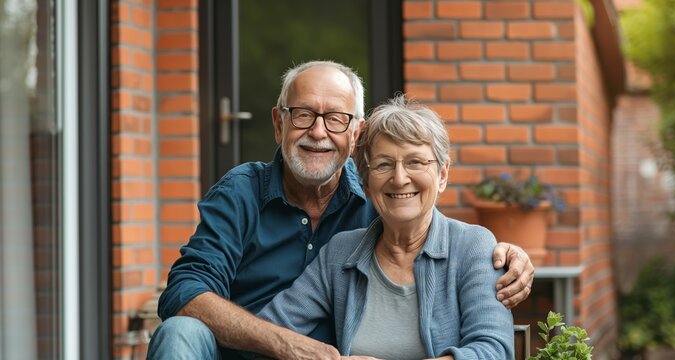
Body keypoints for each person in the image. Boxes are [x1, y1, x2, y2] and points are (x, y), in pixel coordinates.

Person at [148, 60, 533, 360]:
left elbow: (491, 342)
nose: (318, 132)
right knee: (181, 332)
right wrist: (291, 348)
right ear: (279, 124)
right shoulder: (244, 194)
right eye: (302, 115)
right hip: (243, 351)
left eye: (335, 118)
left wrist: (502, 254)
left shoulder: (382, 201)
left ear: (355, 133)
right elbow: (183, 291)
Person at [259, 94, 515, 359]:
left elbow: (493, 350)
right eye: (383, 165)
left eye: (415, 162)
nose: (400, 178)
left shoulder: (472, 247)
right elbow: (270, 334)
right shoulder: (340, 254)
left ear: (442, 174)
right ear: (366, 182)